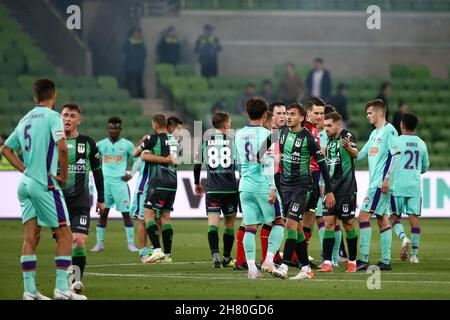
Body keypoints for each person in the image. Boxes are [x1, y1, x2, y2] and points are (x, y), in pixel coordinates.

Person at [0, 79, 86, 300]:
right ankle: (61, 289)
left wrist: (24, 169)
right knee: (65, 234)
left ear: (34, 98)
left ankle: (29, 292)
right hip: (44, 184)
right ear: (54, 96)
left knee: (31, 236)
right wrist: (64, 176)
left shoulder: (25, 119)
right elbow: (63, 147)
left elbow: (6, 149)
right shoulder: (53, 117)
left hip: (25, 185)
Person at [267, 102, 335, 280]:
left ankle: (284, 265)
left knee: (290, 224)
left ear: (302, 118)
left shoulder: (308, 138)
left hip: (303, 187)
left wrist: (329, 191)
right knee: (296, 229)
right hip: (285, 186)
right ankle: (305, 268)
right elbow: (260, 151)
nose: (288, 117)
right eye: (287, 114)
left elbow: (323, 166)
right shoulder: (280, 133)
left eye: (293, 114)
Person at [234, 97, 285, 279]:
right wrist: (272, 187)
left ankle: (251, 269)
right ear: (266, 115)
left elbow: (238, 162)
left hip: (245, 186)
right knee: (279, 222)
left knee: (250, 228)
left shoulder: (238, 134)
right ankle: (269, 260)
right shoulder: (269, 135)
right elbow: (267, 163)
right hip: (263, 185)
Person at [60, 103, 105, 293]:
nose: (68, 118)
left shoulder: (88, 143)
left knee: (78, 240)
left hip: (81, 201)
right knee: (64, 244)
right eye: (65, 115)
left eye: (72, 115)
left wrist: (101, 199)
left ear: (79, 120)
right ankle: (64, 282)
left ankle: (75, 282)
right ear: (59, 118)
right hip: (58, 201)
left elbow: (98, 172)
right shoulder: (53, 142)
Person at [356, 99, 400, 271]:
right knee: (382, 219)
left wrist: (387, 178)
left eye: (369, 113)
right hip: (376, 183)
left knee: (363, 217)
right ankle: (386, 260)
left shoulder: (389, 131)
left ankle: (364, 259)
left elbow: (396, 155)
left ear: (379, 113)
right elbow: (360, 155)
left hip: (379, 184)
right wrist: (344, 148)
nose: (367, 116)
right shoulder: (374, 133)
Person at [194, 112, 238, 268]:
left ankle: (215, 254)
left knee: (212, 224)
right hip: (230, 189)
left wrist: (196, 182)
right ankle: (226, 257)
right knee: (229, 224)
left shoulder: (205, 141)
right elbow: (239, 164)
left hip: (213, 190)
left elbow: (197, 164)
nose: (231, 125)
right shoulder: (233, 141)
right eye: (230, 123)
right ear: (226, 125)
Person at [136, 114, 182, 264]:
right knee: (165, 217)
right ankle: (168, 255)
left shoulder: (152, 139)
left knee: (148, 214)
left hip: (158, 180)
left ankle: (156, 250)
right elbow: (177, 160)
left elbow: (136, 153)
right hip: (173, 181)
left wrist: (144, 142)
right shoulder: (176, 140)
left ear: (155, 125)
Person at [318, 112, 359, 273]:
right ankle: (327, 262)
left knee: (348, 224)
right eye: (325, 125)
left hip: (346, 189)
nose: (326, 128)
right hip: (330, 190)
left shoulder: (347, 136)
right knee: (328, 223)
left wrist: (348, 147)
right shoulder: (325, 140)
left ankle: (353, 262)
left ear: (338, 125)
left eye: (329, 125)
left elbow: (356, 154)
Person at [91, 117, 138, 253]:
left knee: (126, 214)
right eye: (111, 127)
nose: (114, 130)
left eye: (116, 128)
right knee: (103, 213)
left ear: (120, 129)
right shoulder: (101, 145)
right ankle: (99, 243)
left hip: (120, 184)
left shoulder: (127, 145)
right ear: (108, 128)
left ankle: (131, 244)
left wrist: (131, 174)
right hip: (105, 183)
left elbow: (138, 158)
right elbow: (92, 158)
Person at [390, 112, 429, 264]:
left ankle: (403, 238)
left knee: (394, 217)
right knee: (414, 219)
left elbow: (391, 162)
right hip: (414, 187)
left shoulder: (396, 141)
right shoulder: (421, 143)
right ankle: (414, 254)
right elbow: (425, 167)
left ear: (402, 125)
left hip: (398, 186)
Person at [302, 97, 326, 267]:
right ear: (308, 112)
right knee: (296, 217)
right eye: (316, 113)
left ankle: (303, 254)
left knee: (310, 215)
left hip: (315, 178)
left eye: (322, 113)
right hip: (301, 179)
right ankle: (295, 255)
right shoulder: (302, 129)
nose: (319, 116)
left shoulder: (316, 131)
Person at [123, 27, 147, 98]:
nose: (137, 34)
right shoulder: (128, 42)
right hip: (129, 65)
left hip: (139, 66)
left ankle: (141, 97)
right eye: (135, 32)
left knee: (139, 82)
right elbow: (124, 50)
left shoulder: (141, 42)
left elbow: (144, 53)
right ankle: (127, 96)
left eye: (138, 32)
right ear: (132, 33)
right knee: (128, 82)